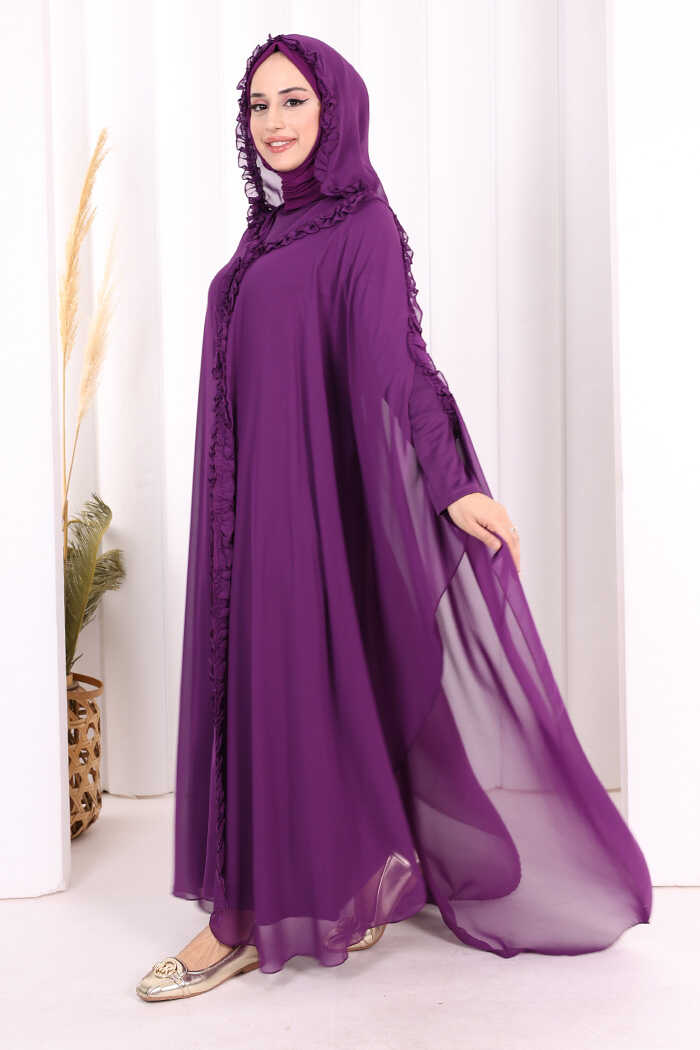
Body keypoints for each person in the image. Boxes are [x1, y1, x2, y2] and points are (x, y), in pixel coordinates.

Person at [136, 32, 652, 1002]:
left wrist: (455, 482)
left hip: (303, 506)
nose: (274, 121)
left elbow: (398, 365)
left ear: (336, 110)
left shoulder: (361, 226)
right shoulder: (267, 231)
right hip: (242, 500)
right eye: (258, 105)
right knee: (265, 680)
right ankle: (342, 875)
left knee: (286, 678)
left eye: (294, 101)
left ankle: (240, 920)